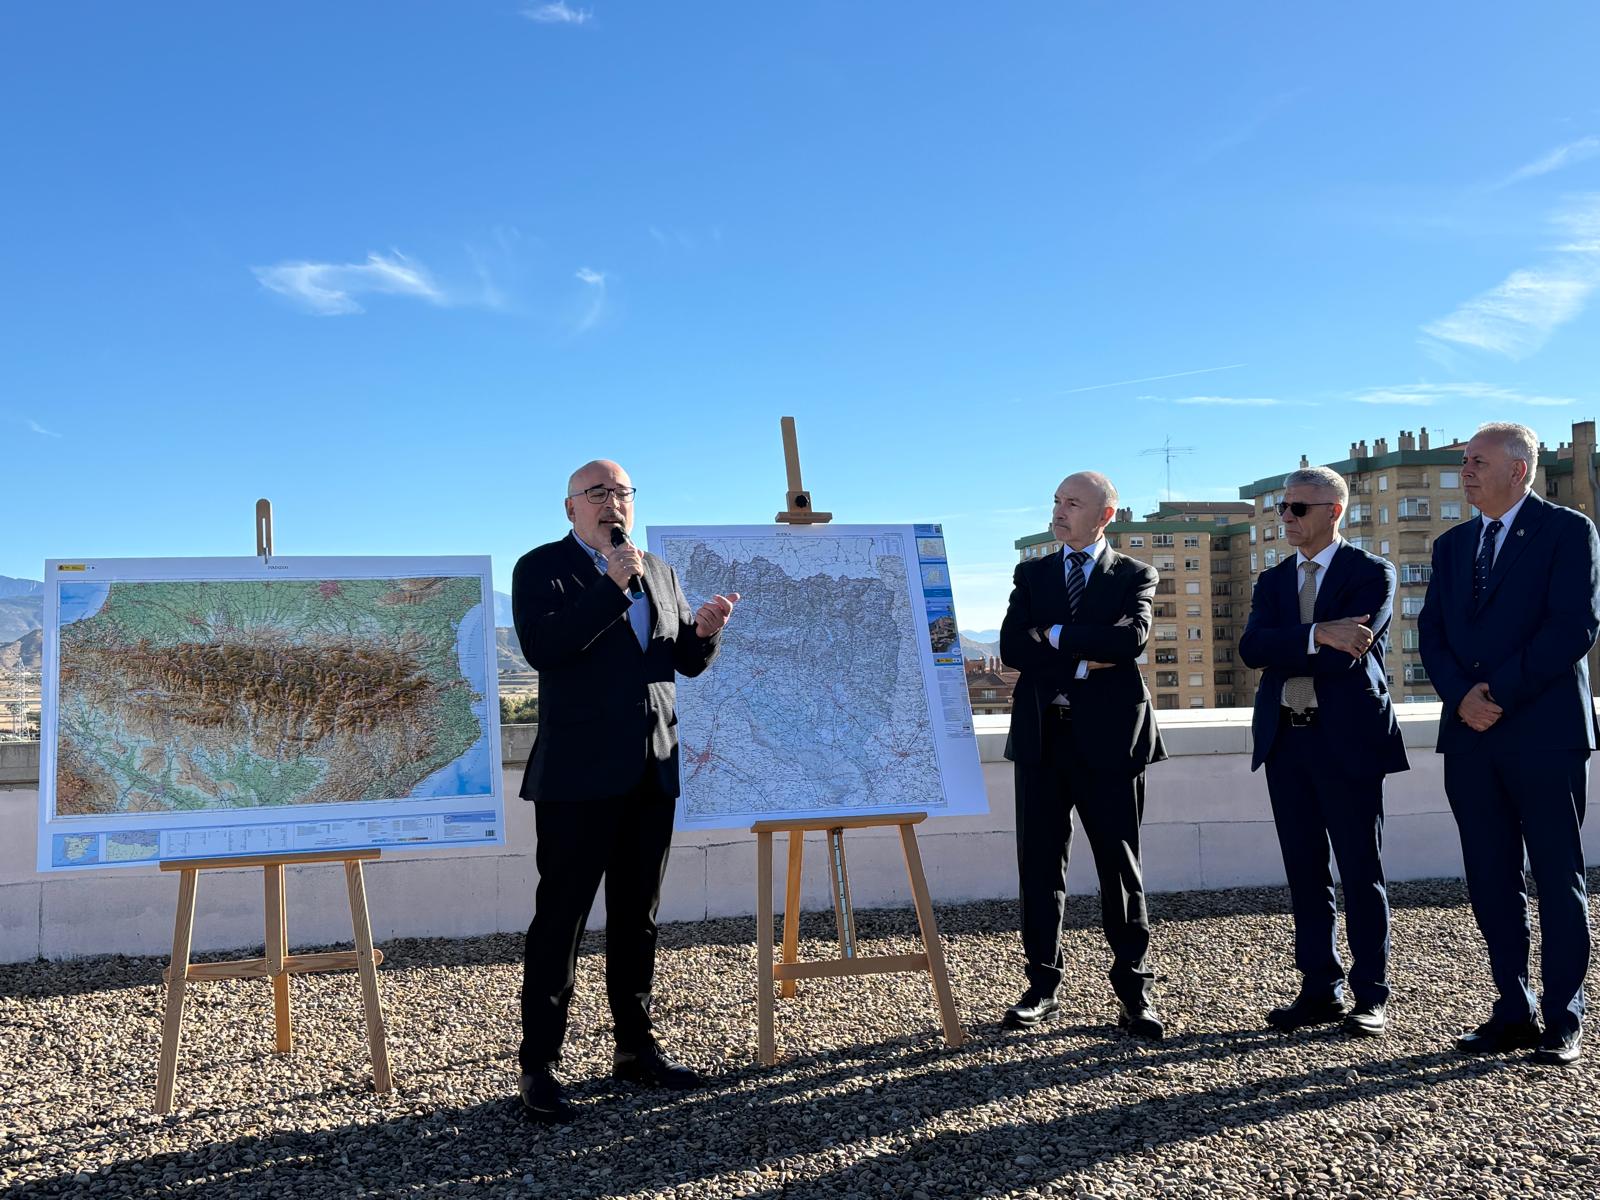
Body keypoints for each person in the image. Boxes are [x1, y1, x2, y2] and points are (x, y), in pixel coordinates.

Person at [512, 459, 740, 1120]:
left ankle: (635, 1050)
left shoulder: (660, 573)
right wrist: (611, 588)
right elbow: (544, 648)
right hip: (577, 779)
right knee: (562, 920)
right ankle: (540, 1066)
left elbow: (677, 666)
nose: (613, 503)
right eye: (598, 493)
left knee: (637, 918)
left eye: (622, 493)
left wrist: (705, 634)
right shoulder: (542, 568)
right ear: (571, 508)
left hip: (651, 770)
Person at [1419, 422, 1598, 1067]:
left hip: (1543, 732)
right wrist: (1460, 698)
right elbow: (1431, 631)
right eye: (1464, 461)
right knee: (1490, 877)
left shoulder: (1567, 532)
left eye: (1478, 461)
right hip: (1469, 737)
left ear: (1520, 469)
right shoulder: (1450, 545)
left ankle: (1563, 1018)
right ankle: (1512, 1009)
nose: (1465, 470)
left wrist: (1496, 693)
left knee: (1556, 875)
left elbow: (1573, 626)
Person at [1239, 466, 1408, 1038]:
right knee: (1305, 872)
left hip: (1348, 743)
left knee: (1361, 869)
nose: (1286, 517)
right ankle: (1319, 989)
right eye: (1283, 508)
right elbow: (1251, 649)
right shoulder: (1273, 580)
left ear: (1333, 510)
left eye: (1298, 509)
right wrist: (1316, 634)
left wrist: (1298, 645)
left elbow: (1348, 655)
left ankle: (1371, 995)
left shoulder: (1372, 573)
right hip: (1287, 740)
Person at [999, 471, 1167, 1039]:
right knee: (1040, 866)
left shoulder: (1136, 574)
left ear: (1106, 515)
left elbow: (1129, 643)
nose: (1059, 511)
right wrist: (1079, 652)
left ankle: (1133, 993)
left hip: (1112, 740)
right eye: (1056, 501)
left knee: (1120, 869)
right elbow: (1011, 646)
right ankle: (1041, 986)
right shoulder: (1033, 572)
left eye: (1073, 503)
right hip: (1043, 738)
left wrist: (1054, 635)